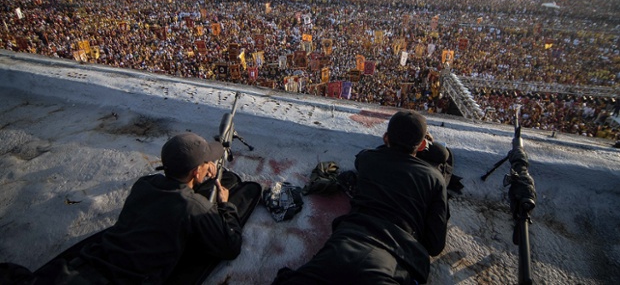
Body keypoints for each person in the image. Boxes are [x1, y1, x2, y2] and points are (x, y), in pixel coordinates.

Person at [34, 132, 261, 285]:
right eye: (204, 163)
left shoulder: (144, 184)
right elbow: (230, 247)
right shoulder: (193, 206)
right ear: (195, 172)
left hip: (89, 264)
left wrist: (200, 174)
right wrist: (225, 204)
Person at [273, 110, 450, 284]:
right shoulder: (434, 179)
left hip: (342, 247)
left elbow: (371, 154)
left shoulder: (368, 159)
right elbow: (434, 245)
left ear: (386, 138)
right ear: (421, 145)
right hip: (395, 261)